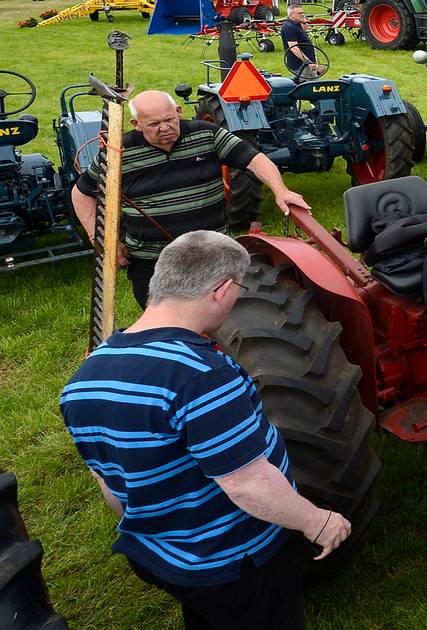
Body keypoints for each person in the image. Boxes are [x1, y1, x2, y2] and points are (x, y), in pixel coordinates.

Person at [59, 231, 351, 630]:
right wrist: (317, 521)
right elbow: (246, 483)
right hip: (236, 562)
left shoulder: (83, 380)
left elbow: (108, 479)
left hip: (165, 557)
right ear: (223, 290)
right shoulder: (199, 375)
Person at [70, 90, 309, 308]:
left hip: (212, 253)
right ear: (136, 124)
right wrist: (100, 238)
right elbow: (82, 193)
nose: (164, 128)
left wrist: (281, 189)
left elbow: (253, 159)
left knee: (224, 314)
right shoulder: (118, 152)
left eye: (169, 119)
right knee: (166, 326)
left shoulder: (206, 134)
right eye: (154, 124)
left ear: (179, 112)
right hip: (152, 261)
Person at [281, 3, 324, 79]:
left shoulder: (296, 25)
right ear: (292, 15)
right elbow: (293, 47)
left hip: (306, 65)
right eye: (300, 13)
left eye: (303, 12)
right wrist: (307, 62)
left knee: (314, 85)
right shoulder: (289, 27)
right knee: (309, 88)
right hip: (301, 65)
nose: (303, 15)